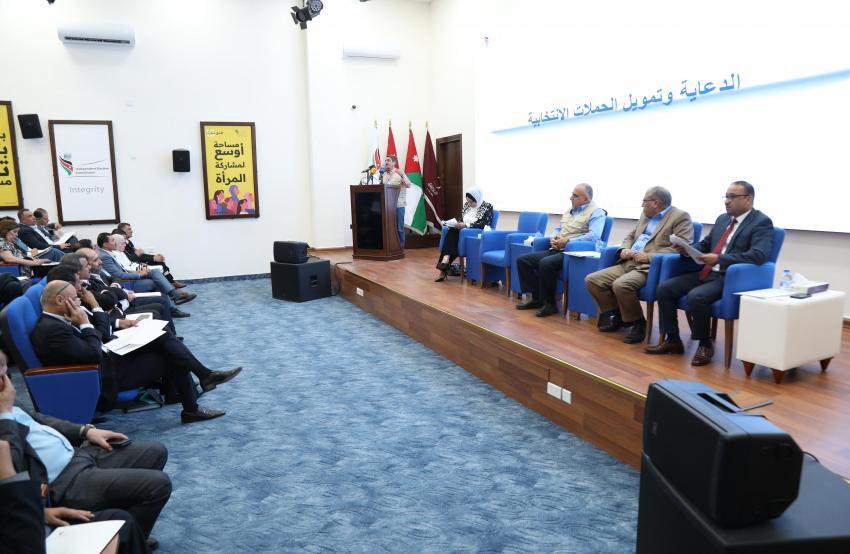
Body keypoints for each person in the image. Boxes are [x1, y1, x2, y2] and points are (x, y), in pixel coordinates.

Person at [0, 352, 154, 553]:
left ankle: (132, 537)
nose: (8, 387)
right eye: (2, 378)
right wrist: (5, 415)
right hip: (59, 481)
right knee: (151, 491)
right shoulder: (4, 414)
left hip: (75, 454)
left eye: (7, 376)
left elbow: (37, 419)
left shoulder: (5, 398)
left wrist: (85, 431)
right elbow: (9, 469)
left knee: (154, 452)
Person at [30, 280, 240, 421]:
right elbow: (93, 354)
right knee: (170, 357)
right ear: (60, 300)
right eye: (76, 298)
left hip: (108, 359)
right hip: (102, 377)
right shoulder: (52, 330)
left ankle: (202, 377)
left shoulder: (58, 321)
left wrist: (87, 325)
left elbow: (96, 341)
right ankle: (193, 403)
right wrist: (85, 323)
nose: (79, 302)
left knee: (161, 337)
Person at [646, 181, 774, 365]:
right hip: (707, 271)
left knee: (696, 296)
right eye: (726, 196)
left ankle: (705, 344)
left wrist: (720, 259)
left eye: (732, 197)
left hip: (729, 277)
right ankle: (673, 340)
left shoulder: (761, 222)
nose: (727, 201)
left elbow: (759, 255)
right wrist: (687, 249)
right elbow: (706, 244)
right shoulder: (723, 219)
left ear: (748, 199)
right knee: (665, 289)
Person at [585, 186, 693, 343]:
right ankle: (620, 316)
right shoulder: (645, 214)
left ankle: (638, 323)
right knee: (592, 280)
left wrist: (649, 257)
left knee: (621, 285)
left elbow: (682, 247)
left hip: (650, 267)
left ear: (656, 202)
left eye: (644, 201)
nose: (642, 205)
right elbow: (630, 236)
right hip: (629, 261)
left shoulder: (680, 217)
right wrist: (624, 248)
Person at [515, 183, 606, 317]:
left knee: (546, 263)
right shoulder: (570, 211)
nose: (571, 198)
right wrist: (554, 237)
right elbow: (559, 228)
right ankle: (537, 299)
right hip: (557, 248)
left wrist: (568, 241)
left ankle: (550, 304)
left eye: (575, 195)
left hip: (572, 252)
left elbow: (594, 236)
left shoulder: (597, 212)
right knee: (523, 260)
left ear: (586, 199)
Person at [97, 233, 195, 316]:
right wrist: (139, 274)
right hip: (126, 283)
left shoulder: (110, 253)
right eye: (112, 241)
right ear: (105, 244)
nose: (115, 243)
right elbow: (119, 275)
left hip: (130, 276)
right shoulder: (105, 256)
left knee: (155, 273)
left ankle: (173, 301)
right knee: (156, 282)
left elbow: (125, 268)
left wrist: (139, 271)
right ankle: (173, 302)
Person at [434, 187, 494, 282]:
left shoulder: (487, 206)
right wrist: (456, 224)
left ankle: (444, 266)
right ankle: (445, 260)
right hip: (462, 232)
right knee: (453, 231)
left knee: (453, 234)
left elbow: (485, 224)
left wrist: (466, 225)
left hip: (474, 233)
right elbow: (462, 219)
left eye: (471, 202)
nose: (469, 204)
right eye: (468, 201)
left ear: (477, 198)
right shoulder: (466, 206)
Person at [116, 223, 186, 289]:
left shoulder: (128, 243)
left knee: (160, 264)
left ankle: (171, 283)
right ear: (122, 232)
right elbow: (131, 260)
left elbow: (139, 256)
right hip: (134, 267)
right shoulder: (120, 248)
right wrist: (147, 257)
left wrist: (154, 257)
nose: (131, 231)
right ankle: (170, 286)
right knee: (158, 267)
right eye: (129, 229)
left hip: (136, 265)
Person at [381, 155, 412, 247]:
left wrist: (402, 175)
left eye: (388, 160)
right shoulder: (384, 174)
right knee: (389, 227)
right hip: (388, 206)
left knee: (399, 228)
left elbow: (408, 185)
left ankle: (400, 247)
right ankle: (391, 247)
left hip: (399, 205)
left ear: (394, 163)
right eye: (385, 160)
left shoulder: (399, 173)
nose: (386, 162)